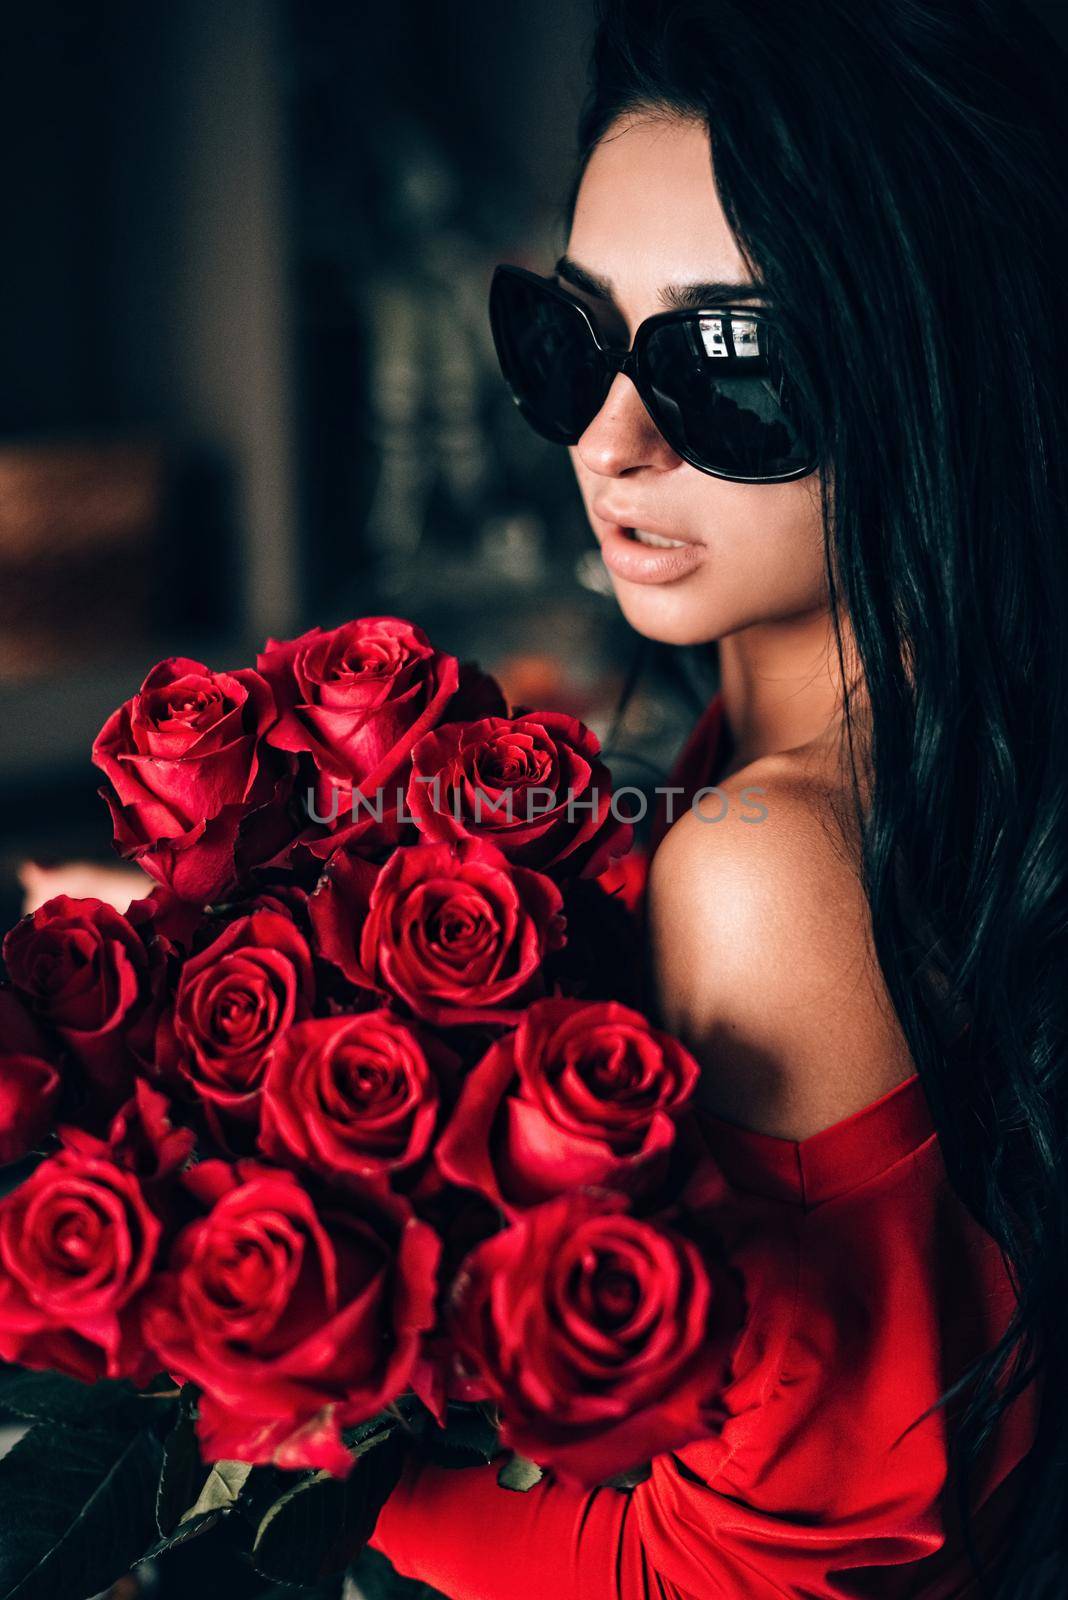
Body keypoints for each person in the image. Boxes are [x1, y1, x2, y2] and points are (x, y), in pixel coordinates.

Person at [366, 0, 1068, 1595]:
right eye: (571, 340)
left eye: (728, 361)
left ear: (934, 373)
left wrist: (240, 1406)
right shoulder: (814, 768)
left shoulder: (764, 864)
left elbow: (753, 1582)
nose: (611, 443)